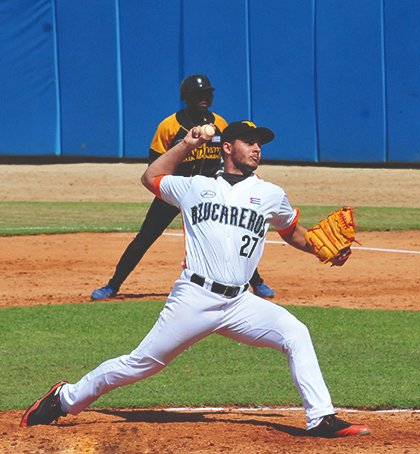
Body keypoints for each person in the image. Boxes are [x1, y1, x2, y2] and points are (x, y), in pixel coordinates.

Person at [20, 120, 371, 438]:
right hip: (194, 297)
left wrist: (323, 250)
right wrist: (186, 144)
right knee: (141, 364)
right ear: (227, 147)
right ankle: (64, 398)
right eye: (248, 141)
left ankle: (321, 417)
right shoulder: (194, 187)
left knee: (296, 332)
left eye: (259, 143)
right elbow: (150, 178)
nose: (256, 148)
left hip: (239, 302)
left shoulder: (271, 194)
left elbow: (292, 231)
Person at [90, 74, 276, 301]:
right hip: (174, 191)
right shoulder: (169, 126)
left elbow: (229, 160)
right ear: (186, 97)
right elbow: (154, 165)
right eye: (198, 94)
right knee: (145, 237)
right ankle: (113, 285)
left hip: (209, 194)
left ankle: (256, 282)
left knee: (230, 236)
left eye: (207, 93)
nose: (204, 98)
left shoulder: (220, 124)